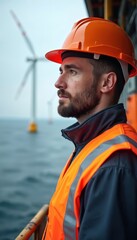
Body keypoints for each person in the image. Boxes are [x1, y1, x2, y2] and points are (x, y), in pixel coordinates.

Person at [42, 17, 137, 240]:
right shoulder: (92, 144)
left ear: (107, 83)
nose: (59, 82)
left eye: (72, 71)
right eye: (60, 71)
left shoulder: (114, 166)